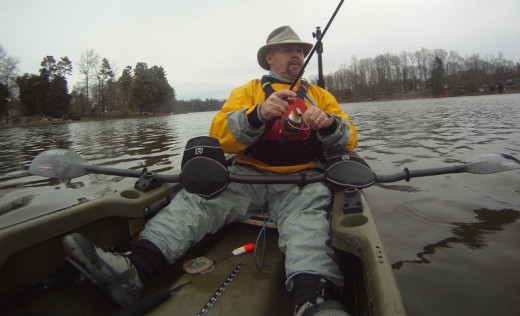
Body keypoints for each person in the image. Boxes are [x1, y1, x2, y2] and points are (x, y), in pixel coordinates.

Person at [62, 25, 358, 316]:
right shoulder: (248, 92)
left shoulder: (321, 96)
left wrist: (329, 124)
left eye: (300, 51)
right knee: (199, 200)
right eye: (288, 50)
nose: (297, 55)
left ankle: (312, 301)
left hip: (301, 183)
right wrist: (257, 115)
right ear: (270, 58)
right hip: (248, 177)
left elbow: (350, 140)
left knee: (308, 227)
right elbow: (220, 136)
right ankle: (133, 269)